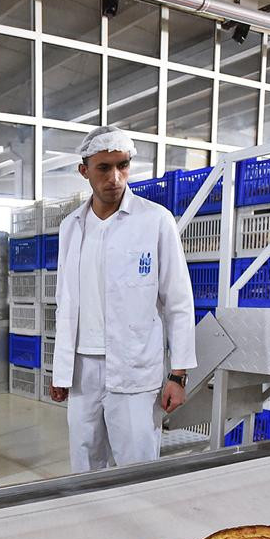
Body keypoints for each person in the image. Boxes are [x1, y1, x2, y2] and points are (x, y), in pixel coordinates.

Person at [49, 125, 196, 472]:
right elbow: (65, 301)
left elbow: (178, 300)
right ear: (84, 171)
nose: (115, 177)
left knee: (137, 466)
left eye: (123, 165)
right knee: (84, 464)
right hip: (82, 369)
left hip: (135, 368)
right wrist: (60, 371)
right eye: (103, 168)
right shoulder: (71, 226)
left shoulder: (155, 220)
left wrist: (178, 375)